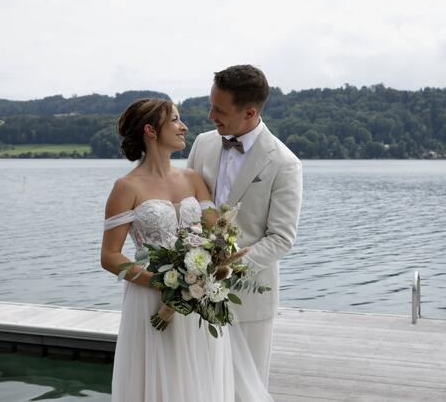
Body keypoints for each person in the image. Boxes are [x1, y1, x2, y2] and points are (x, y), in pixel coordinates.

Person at [101, 98, 272, 401]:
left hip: (198, 295)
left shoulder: (192, 178)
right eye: (175, 120)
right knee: (159, 375)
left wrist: (208, 269)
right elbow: (110, 256)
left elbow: (219, 234)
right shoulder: (126, 187)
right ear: (151, 130)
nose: (184, 126)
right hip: (150, 297)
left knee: (200, 374)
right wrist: (160, 283)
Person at [187, 65, 303, 386]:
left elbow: (281, 238)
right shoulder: (202, 144)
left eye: (219, 110)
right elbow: (188, 207)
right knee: (199, 385)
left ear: (250, 112)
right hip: (194, 294)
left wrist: (226, 267)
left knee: (245, 389)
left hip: (250, 301)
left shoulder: (284, 163)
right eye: (211, 105)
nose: (210, 115)